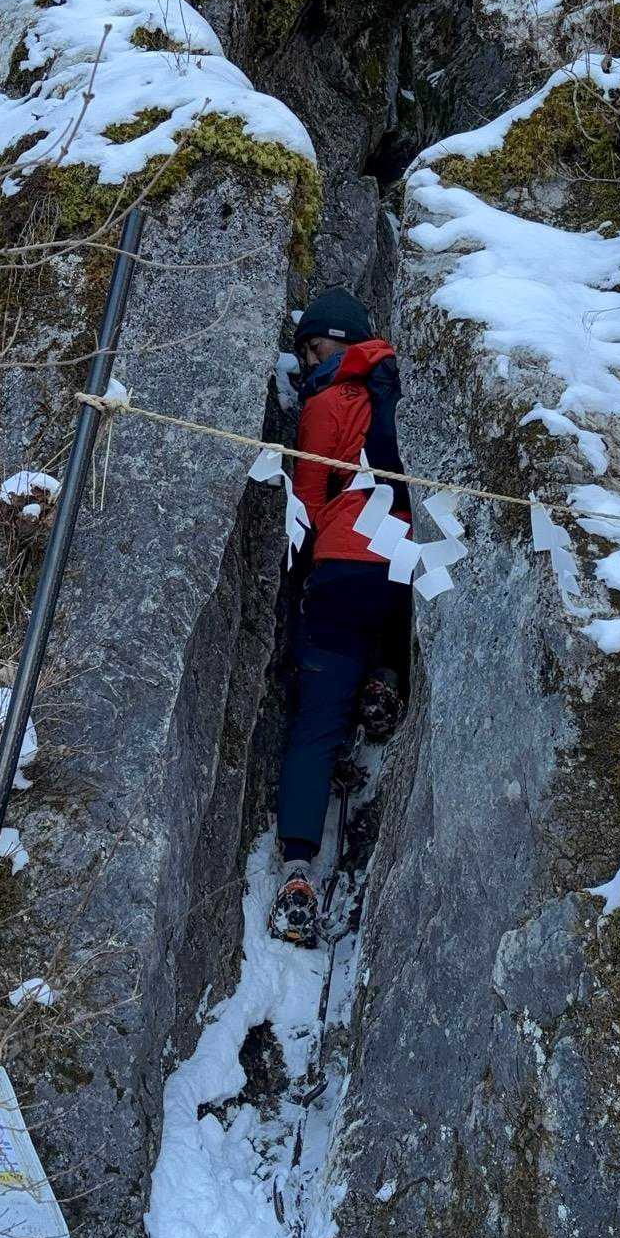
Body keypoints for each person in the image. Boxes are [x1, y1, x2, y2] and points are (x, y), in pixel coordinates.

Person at [271, 286, 410, 946]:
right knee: (394, 622)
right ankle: (386, 679)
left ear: (344, 343)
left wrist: (294, 577)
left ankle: (298, 870)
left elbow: (305, 499)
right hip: (403, 563)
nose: (307, 361)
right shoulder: (400, 396)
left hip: (340, 563)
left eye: (315, 347)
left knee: (316, 724)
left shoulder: (325, 403)